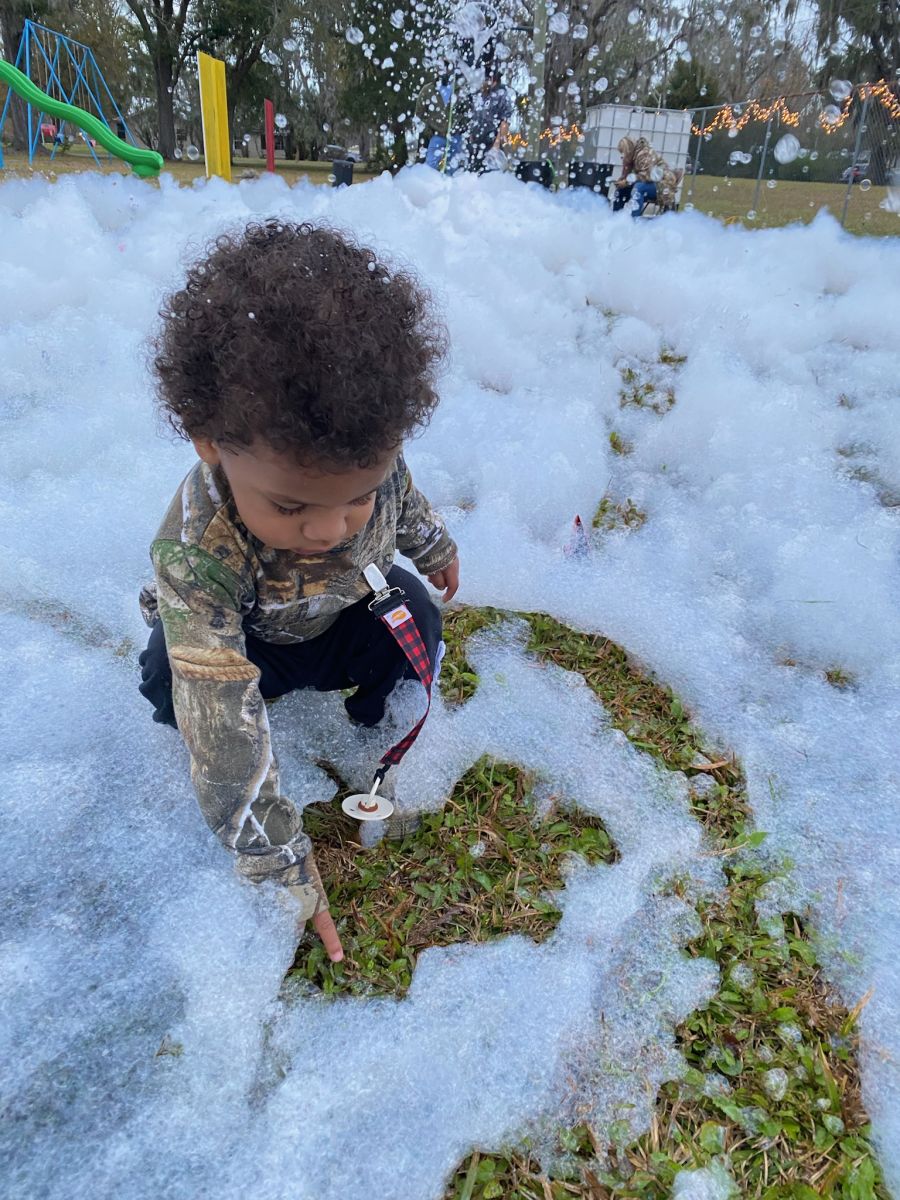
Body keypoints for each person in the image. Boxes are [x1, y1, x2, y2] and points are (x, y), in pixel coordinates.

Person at [137, 221, 460, 965]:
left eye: (357, 498)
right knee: (169, 677)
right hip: (252, 646)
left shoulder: (374, 464)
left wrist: (433, 545)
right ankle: (274, 707)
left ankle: (363, 713)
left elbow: (404, 501)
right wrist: (277, 857)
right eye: (289, 507)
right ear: (209, 441)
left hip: (342, 617)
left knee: (416, 618)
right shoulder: (198, 549)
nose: (329, 529)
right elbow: (218, 709)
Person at [612, 136, 677, 217]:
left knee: (638, 188)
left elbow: (648, 175)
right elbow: (631, 176)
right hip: (648, 182)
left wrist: (627, 182)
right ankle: (616, 220)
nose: (622, 156)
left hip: (661, 184)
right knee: (620, 191)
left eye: (623, 152)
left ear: (628, 150)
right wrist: (622, 181)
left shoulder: (644, 154)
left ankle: (635, 222)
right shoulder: (632, 157)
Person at [467, 66, 512, 173]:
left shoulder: (502, 94)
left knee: (489, 175)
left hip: (491, 143)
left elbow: (504, 121)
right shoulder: (479, 94)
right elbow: (473, 116)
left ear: (491, 79)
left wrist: (497, 144)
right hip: (476, 142)